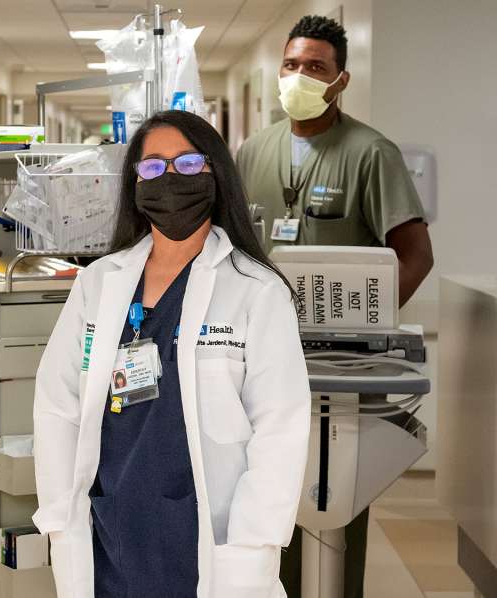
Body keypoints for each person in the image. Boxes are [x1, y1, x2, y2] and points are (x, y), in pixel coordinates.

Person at [33, 110, 311, 598]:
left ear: (215, 175)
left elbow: (280, 431)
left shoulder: (258, 291)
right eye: (154, 168)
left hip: (207, 536)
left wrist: (252, 544)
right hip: (111, 527)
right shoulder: (100, 282)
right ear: (135, 185)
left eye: (186, 165)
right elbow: (57, 406)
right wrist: (59, 513)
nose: (170, 179)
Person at [235, 16, 434, 597]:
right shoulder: (254, 151)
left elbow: (415, 254)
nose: (299, 76)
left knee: (334, 499)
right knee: (270, 497)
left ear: (340, 79)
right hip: (266, 357)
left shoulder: (371, 153)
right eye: (292, 65)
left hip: (340, 371)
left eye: (315, 67)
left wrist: (367, 329)